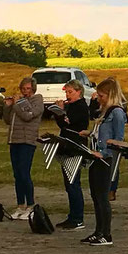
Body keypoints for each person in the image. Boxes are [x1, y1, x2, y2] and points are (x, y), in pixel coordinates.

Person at [82, 79, 125, 247]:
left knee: (102, 197)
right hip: (95, 158)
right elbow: (101, 134)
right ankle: (98, 231)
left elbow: (118, 140)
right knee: (95, 196)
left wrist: (105, 152)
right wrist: (90, 133)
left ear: (110, 95)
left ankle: (106, 234)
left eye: (101, 95)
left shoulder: (117, 113)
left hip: (106, 159)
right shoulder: (104, 112)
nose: (98, 98)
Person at [51, 80, 93, 230]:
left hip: (75, 147)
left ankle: (77, 218)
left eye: (70, 92)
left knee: (73, 183)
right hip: (67, 145)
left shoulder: (81, 106)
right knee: (69, 184)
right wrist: (59, 113)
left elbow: (70, 123)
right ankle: (73, 215)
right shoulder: (71, 106)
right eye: (66, 92)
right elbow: (63, 125)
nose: (67, 95)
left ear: (78, 91)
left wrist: (61, 112)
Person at [5, 74, 44, 213]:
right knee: (17, 174)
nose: (25, 91)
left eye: (28, 88)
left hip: (27, 140)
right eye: (23, 88)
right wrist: (8, 107)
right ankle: (20, 204)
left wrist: (17, 104)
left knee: (24, 173)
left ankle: (31, 204)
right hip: (14, 140)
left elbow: (28, 115)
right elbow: (7, 120)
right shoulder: (19, 102)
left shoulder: (37, 100)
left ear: (33, 89)